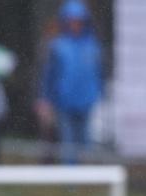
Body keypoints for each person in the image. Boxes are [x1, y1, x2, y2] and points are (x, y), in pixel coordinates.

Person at [37, 0, 103, 165]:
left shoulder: (92, 45)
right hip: (64, 101)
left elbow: (99, 72)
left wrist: (99, 93)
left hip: (87, 100)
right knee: (68, 142)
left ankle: (86, 178)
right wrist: (45, 98)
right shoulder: (58, 46)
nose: (75, 25)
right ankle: (70, 180)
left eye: (79, 21)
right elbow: (49, 75)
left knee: (86, 140)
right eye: (72, 21)